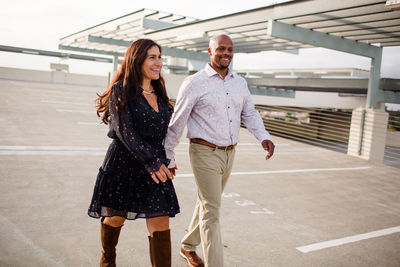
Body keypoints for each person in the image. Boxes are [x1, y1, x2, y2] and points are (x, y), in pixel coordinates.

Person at [164, 34, 275, 267]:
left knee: (206, 203)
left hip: (230, 153)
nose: (226, 53)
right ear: (210, 51)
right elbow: (178, 119)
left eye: (230, 50)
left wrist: (263, 137)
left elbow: (250, 113)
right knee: (212, 211)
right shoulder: (195, 82)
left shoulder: (239, 82)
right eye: (221, 49)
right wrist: (168, 154)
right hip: (204, 152)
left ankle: (187, 245)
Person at [88, 38, 180, 267]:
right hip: (123, 166)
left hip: (155, 167)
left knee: (161, 223)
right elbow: (124, 132)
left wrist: (167, 160)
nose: (158, 62)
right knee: (116, 218)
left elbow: (164, 135)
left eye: (160, 57)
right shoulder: (121, 90)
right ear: (137, 60)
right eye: (152, 57)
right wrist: (151, 161)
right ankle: (108, 257)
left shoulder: (160, 94)